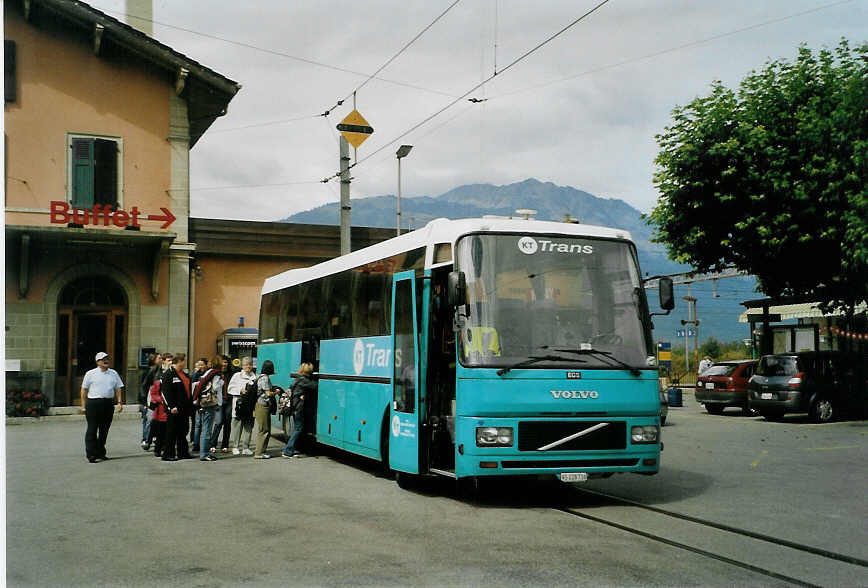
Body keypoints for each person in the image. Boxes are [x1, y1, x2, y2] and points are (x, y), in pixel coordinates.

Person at [80, 352, 124, 463]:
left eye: (107, 359)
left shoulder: (113, 373)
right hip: (93, 403)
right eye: (102, 359)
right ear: (97, 362)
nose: (106, 361)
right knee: (92, 429)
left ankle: (100, 452)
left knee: (104, 429)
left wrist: (119, 402)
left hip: (108, 403)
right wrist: (83, 405)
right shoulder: (90, 373)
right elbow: (84, 389)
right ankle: (91, 454)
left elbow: (118, 388)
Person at [160, 353, 193, 461]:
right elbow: (165, 392)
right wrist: (171, 406)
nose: (185, 363)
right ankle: (168, 454)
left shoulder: (184, 374)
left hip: (184, 408)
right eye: (184, 360)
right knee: (171, 431)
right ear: (180, 361)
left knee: (183, 431)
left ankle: (183, 452)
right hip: (174, 409)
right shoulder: (168, 374)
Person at [282, 362, 317, 459]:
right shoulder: (304, 380)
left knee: (298, 429)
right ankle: (287, 451)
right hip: (299, 408)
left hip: (295, 407)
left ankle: (292, 449)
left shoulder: (297, 379)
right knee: (298, 429)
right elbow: (315, 386)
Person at [194, 356, 224, 462]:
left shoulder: (208, 372)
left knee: (203, 428)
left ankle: (203, 452)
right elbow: (215, 387)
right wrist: (222, 382)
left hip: (202, 402)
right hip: (209, 404)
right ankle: (204, 453)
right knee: (207, 429)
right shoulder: (216, 374)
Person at [228, 357, 256, 455]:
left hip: (250, 406)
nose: (248, 366)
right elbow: (230, 389)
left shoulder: (254, 377)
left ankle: (246, 447)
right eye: (246, 365)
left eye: (250, 364)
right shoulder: (237, 376)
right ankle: (235, 446)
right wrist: (240, 390)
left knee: (248, 426)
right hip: (239, 405)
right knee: (237, 427)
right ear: (242, 366)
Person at [253, 359, 277, 459]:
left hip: (260, 405)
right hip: (262, 405)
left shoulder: (259, 376)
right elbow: (268, 393)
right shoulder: (265, 378)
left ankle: (262, 451)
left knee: (265, 429)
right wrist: (276, 392)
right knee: (264, 429)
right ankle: (259, 453)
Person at [209, 355, 234, 453]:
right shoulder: (216, 373)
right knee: (219, 422)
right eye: (223, 362)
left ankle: (225, 445)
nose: (225, 364)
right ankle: (213, 444)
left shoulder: (231, 373)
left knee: (227, 423)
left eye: (226, 362)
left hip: (228, 400)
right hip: (218, 401)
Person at [138, 353, 159, 451]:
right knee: (147, 420)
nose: (161, 359)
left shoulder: (158, 371)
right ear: (153, 360)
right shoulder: (148, 372)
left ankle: (151, 438)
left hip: (153, 398)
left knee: (152, 420)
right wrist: (144, 402)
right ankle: (145, 439)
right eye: (159, 358)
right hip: (147, 399)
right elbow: (143, 387)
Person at [190, 357, 208, 452]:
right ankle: (195, 442)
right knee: (197, 424)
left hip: (206, 401)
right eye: (199, 365)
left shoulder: (208, 374)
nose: (201, 366)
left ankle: (201, 442)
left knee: (203, 424)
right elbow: (192, 385)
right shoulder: (195, 374)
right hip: (196, 402)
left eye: (202, 364)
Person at [148, 373, 168, 458]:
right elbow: (153, 395)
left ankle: (165, 448)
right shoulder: (158, 383)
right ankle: (157, 450)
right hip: (160, 411)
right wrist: (161, 400)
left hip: (168, 411)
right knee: (160, 433)